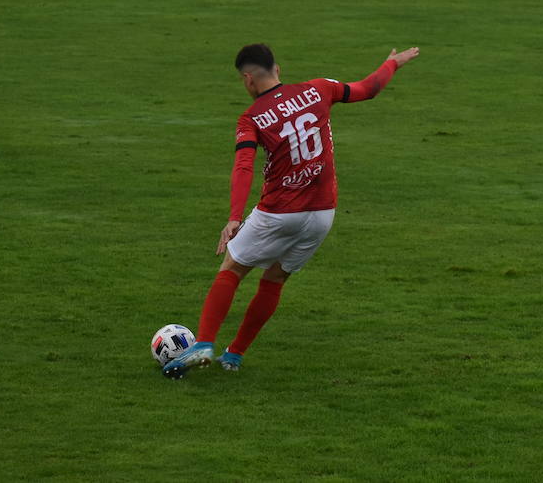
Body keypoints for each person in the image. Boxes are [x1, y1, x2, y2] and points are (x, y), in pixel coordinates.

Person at [162, 43, 421, 379]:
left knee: (233, 268)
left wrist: (234, 217)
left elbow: (243, 165)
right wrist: (392, 64)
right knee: (275, 279)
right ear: (278, 69)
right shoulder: (319, 88)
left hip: (278, 211)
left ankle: (205, 343)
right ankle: (235, 354)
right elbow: (367, 89)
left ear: (247, 79)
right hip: (323, 214)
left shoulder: (252, 118)